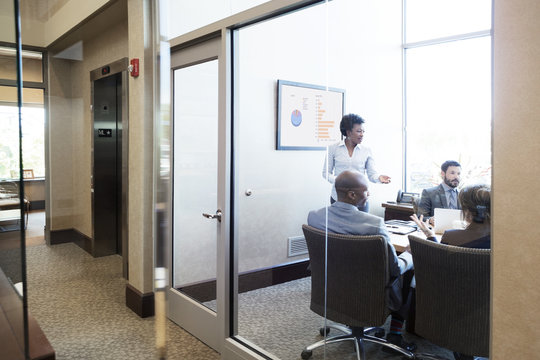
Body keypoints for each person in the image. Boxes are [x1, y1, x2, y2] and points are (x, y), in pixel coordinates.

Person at [308, 170, 416, 352]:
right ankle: (395, 335)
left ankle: (351, 318)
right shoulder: (374, 224)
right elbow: (394, 269)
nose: (369, 195)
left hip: (330, 288)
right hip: (368, 294)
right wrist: (409, 255)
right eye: (366, 191)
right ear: (352, 194)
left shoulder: (315, 216)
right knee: (409, 272)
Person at [322, 114, 391, 212]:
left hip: (361, 199)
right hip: (338, 198)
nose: (362, 134)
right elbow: (325, 173)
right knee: (340, 227)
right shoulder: (333, 148)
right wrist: (339, 181)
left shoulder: (367, 150)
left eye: (363, 131)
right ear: (349, 132)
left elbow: (372, 174)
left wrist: (379, 178)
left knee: (362, 227)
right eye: (359, 131)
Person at [411, 184, 491, 249]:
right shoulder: (500, 238)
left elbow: (438, 258)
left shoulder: (450, 237)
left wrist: (430, 237)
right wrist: (430, 235)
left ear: (467, 211)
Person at [417, 160, 462, 225]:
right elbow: (420, 217)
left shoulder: (463, 195)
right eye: (452, 173)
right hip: (437, 231)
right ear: (443, 174)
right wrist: (430, 220)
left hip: (459, 231)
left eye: (458, 174)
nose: (456, 177)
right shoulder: (428, 193)